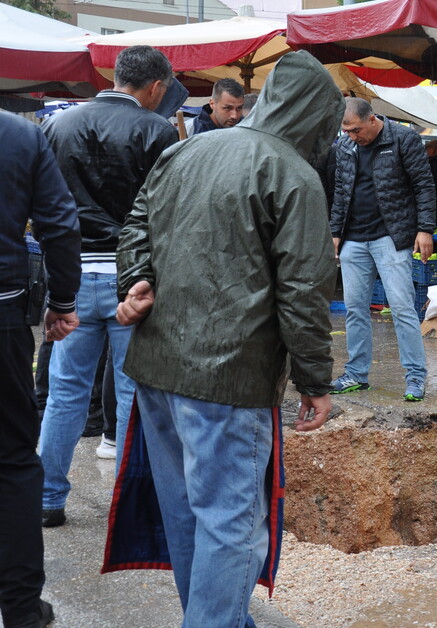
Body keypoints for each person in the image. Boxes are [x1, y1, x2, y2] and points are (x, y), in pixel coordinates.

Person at [110, 50, 340, 626]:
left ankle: (217, 619)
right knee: (230, 524)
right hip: (228, 378)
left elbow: (136, 222)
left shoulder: (186, 149)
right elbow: (304, 291)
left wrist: (137, 278)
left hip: (158, 369)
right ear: (317, 118)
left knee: (188, 513)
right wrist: (315, 378)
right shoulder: (294, 174)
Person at [39, 44, 178, 528]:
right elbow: (165, 213)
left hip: (71, 277)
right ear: (157, 87)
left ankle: (47, 498)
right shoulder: (157, 129)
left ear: (116, 75)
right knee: (133, 395)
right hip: (131, 280)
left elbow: (46, 208)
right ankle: (130, 507)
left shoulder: (58, 124)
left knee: (64, 395)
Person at [1, 110, 81, 628]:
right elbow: (59, 223)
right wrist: (62, 299)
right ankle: (22, 607)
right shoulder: (20, 133)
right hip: (2, 313)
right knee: (11, 461)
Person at [326, 97, 436, 401]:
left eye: (356, 130)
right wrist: (335, 233)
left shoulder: (403, 139)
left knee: (402, 308)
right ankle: (356, 374)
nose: (351, 136)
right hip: (353, 239)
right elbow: (340, 192)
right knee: (354, 309)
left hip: (392, 236)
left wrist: (425, 229)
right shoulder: (345, 147)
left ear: (372, 120)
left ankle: (415, 376)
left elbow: (424, 185)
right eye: (346, 131)